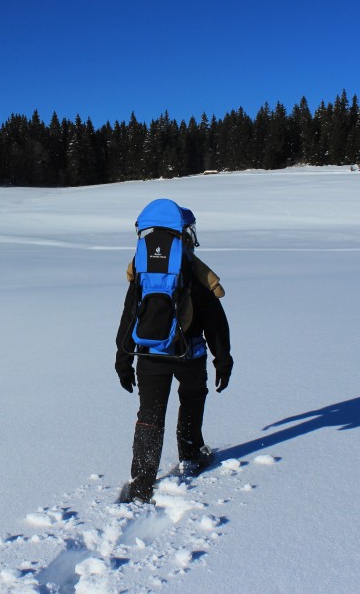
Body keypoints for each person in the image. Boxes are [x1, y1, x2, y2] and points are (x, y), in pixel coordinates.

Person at [114, 203, 234, 503]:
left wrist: (123, 359)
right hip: (189, 354)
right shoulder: (195, 272)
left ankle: (142, 482)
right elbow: (215, 323)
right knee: (192, 400)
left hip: (149, 355)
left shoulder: (142, 272)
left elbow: (129, 317)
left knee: (150, 415)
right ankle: (191, 456)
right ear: (185, 234)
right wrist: (223, 360)